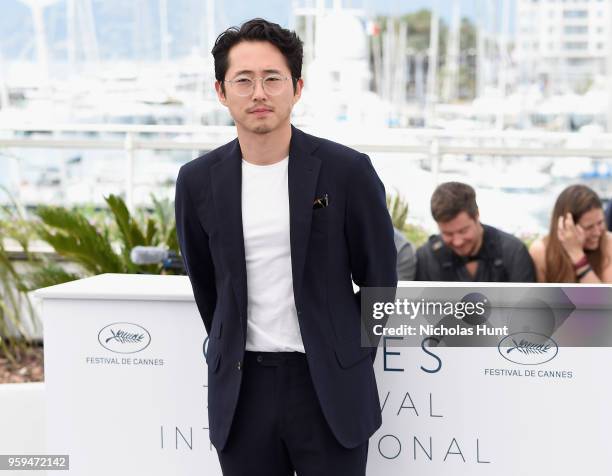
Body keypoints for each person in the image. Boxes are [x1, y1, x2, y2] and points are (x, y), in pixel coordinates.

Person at [174, 18, 397, 476]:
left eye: (272, 78)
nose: (259, 93)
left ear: (296, 89)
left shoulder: (347, 171)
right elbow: (208, 287)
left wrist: (349, 355)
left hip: (328, 389)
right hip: (242, 391)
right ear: (221, 91)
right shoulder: (197, 180)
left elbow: (379, 279)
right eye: (244, 80)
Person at [415, 181, 536, 282]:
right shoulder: (426, 258)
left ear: (477, 215)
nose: (457, 242)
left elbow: (528, 307)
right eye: (448, 234)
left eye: (463, 231)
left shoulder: (514, 253)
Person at [529, 184, 612, 283]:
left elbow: (604, 298)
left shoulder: (608, 243)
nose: (597, 232)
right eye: (589, 227)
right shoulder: (541, 251)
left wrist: (578, 257)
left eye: (600, 223)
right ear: (566, 226)